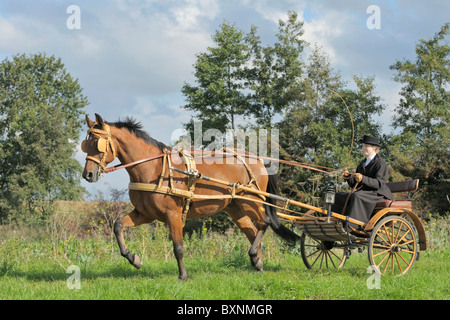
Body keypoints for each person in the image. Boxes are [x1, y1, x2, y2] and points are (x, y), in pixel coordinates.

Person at [332, 135, 393, 230]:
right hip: (365, 192)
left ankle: (353, 228)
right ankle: (335, 225)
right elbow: (355, 185)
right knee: (338, 196)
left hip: (378, 193)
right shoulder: (362, 163)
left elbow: (379, 183)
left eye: (366, 146)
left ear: (374, 148)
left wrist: (363, 178)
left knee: (356, 196)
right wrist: (348, 177)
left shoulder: (381, 163)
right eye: (363, 146)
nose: (363, 148)